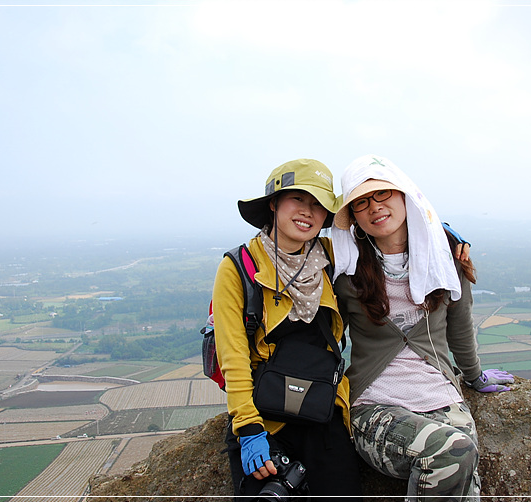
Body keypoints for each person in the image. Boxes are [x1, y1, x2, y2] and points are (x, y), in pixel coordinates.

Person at [331, 154, 514, 501]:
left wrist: (474, 376)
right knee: (451, 453)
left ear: (404, 197)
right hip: (374, 404)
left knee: (466, 475)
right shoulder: (347, 267)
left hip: (441, 396)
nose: (375, 207)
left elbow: (460, 326)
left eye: (383, 194)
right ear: (354, 217)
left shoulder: (443, 256)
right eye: (361, 203)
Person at [212, 159, 363, 500]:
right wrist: (249, 430)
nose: (308, 212)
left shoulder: (332, 258)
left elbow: (388, 237)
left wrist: (445, 235)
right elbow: (233, 355)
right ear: (273, 203)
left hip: (324, 415)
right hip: (266, 421)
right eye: (299, 199)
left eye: (318, 205)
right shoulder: (239, 267)